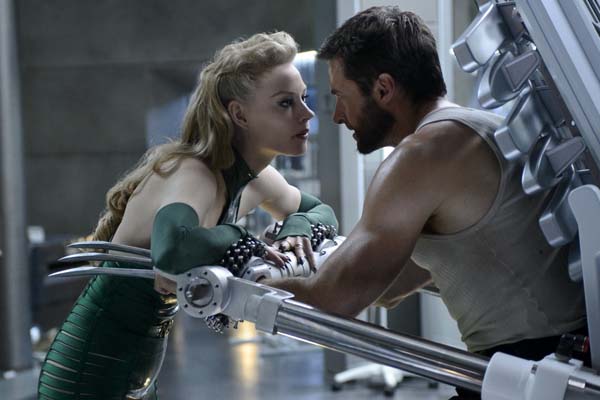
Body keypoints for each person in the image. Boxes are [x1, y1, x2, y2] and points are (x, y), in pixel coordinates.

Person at [254, 7, 586, 400]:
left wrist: (250, 286)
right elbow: (390, 286)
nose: (338, 116)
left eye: (342, 97)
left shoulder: (421, 156)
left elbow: (336, 298)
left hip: (533, 370)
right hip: (557, 359)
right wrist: (319, 260)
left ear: (383, 89)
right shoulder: (481, 127)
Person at [38, 31, 338, 400]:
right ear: (239, 114)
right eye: (285, 103)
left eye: (304, 99)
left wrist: (298, 228)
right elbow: (174, 248)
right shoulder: (194, 173)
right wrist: (241, 238)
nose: (307, 113)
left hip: (142, 364)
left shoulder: (257, 178)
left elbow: (321, 212)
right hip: (88, 366)